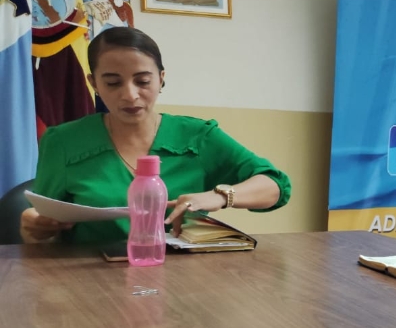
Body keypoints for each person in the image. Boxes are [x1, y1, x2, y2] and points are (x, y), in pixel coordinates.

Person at [20, 24, 292, 247]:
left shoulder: (197, 137)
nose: (130, 95)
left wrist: (220, 196)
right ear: (94, 84)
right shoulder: (64, 142)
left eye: (143, 81)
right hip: (93, 280)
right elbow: (44, 225)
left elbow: (276, 186)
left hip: (188, 277)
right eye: (113, 82)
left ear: (161, 79)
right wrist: (34, 228)